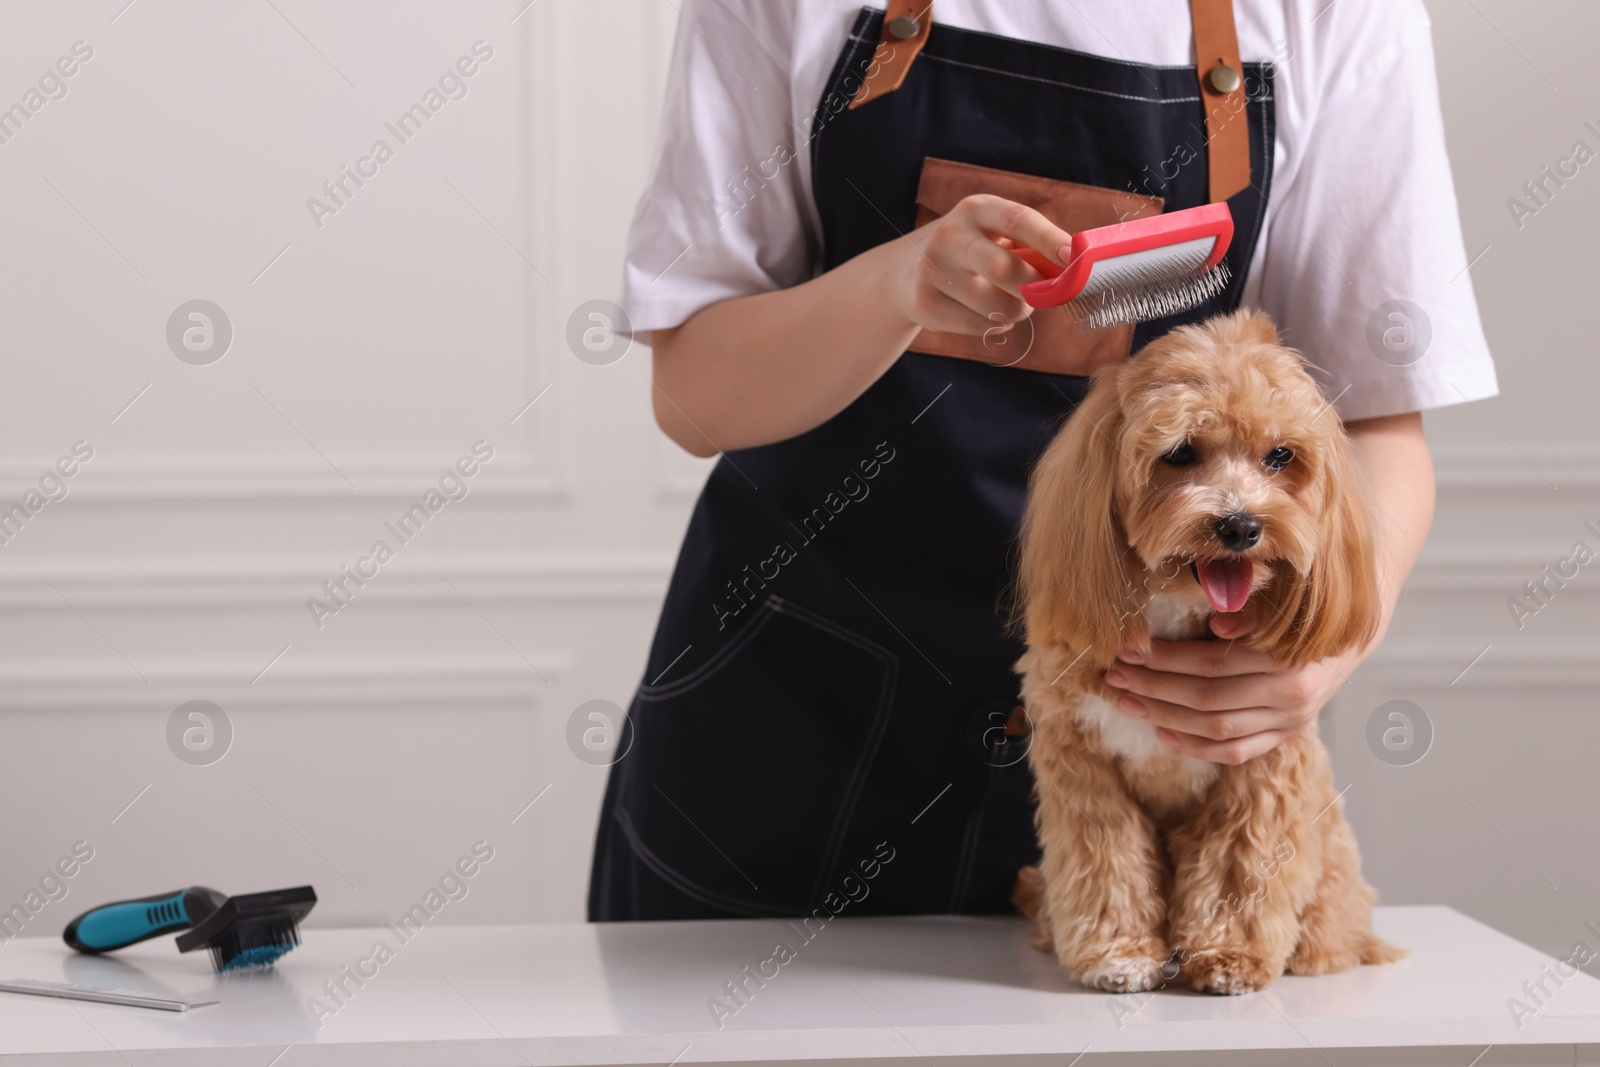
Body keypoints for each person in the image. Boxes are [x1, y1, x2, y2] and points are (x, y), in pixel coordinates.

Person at [588, 0, 1498, 921]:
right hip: (783, 738)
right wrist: (895, 286)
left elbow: (1378, 426)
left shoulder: (1338, 13)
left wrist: (1316, 655)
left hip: (1142, 775)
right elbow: (694, 393)